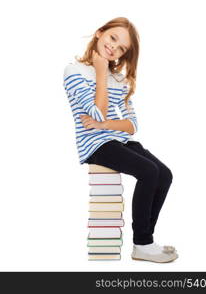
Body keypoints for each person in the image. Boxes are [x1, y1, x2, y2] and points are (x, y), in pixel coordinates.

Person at [63, 17, 178, 263]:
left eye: (122, 47)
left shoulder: (120, 80)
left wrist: (104, 124)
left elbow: (132, 125)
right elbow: (97, 112)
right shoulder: (74, 71)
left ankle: (147, 241)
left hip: (118, 140)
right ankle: (143, 243)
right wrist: (101, 72)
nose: (114, 47)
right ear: (99, 33)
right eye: (112, 38)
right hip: (95, 145)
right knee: (148, 171)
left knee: (164, 174)